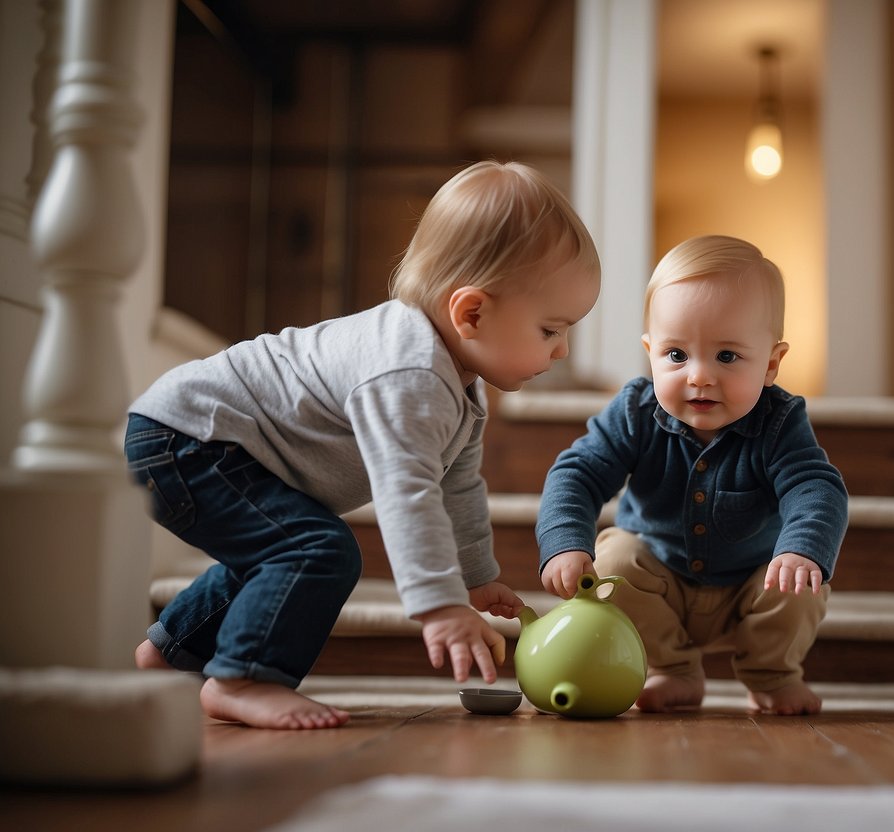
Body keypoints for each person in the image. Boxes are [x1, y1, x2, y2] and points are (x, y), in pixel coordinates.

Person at [126, 160, 601, 729]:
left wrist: (474, 574)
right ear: (471, 312)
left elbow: (457, 485)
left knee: (278, 547)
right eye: (551, 329)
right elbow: (407, 491)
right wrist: (440, 604)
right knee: (316, 550)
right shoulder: (409, 372)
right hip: (186, 440)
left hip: (196, 443)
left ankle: (172, 652)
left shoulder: (460, 387)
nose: (562, 350)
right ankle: (245, 676)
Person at [536, 235, 847, 716]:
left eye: (726, 356)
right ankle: (672, 669)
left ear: (770, 363)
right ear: (650, 353)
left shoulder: (779, 422)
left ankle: (772, 674)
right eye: (677, 355)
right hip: (658, 584)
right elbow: (577, 474)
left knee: (801, 580)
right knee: (614, 557)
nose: (699, 375)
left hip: (751, 589)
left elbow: (815, 487)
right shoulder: (636, 411)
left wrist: (802, 547)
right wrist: (565, 542)